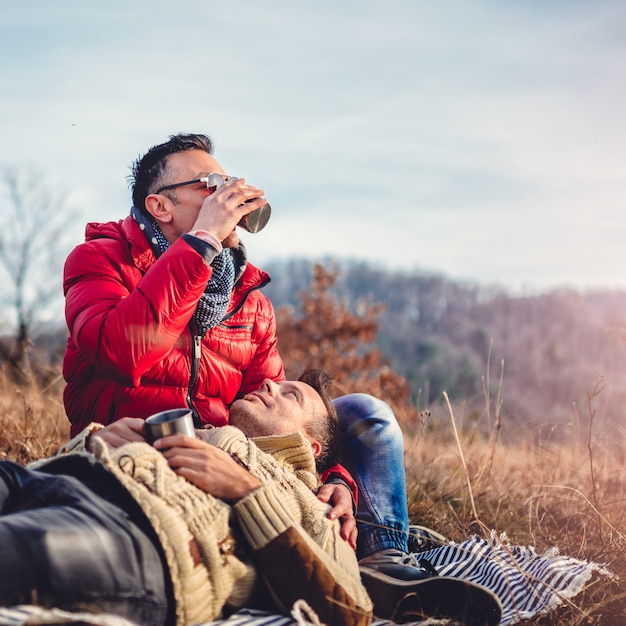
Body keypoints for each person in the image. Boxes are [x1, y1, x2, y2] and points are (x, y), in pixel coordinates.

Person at [61, 132, 425, 581]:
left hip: (231, 461)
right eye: (209, 183)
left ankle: (383, 562)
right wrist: (201, 241)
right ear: (161, 206)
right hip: (143, 455)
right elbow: (120, 352)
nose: (227, 192)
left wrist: (335, 479)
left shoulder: (250, 303)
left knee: (362, 412)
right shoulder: (99, 260)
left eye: (227, 179)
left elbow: (276, 421)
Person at [0, 370, 374, 626]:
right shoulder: (200, 433)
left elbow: (353, 610)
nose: (269, 384)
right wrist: (93, 441)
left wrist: (246, 491)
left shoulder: (319, 505)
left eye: (289, 394)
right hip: (57, 484)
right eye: (277, 381)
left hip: (143, 538)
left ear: (310, 446)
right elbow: (46, 467)